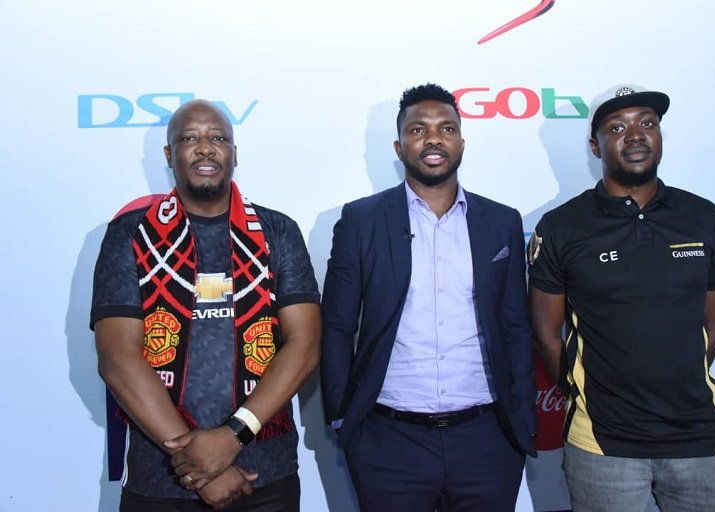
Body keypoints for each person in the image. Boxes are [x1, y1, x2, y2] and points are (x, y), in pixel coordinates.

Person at [90, 99, 321, 511]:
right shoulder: (130, 234)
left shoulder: (278, 231)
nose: (205, 148)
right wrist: (197, 465)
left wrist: (233, 435)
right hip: (159, 480)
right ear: (168, 154)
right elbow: (117, 358)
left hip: (265, 475)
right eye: (189, 138)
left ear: (234, 153)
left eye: (218, 138)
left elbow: (304, 344)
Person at [321, 83, 536, 511]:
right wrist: (343, 418)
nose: (434, 138)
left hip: (487, 438)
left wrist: (523, 415)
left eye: (446, 128)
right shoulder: (360, 220)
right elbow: (338, 326)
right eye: (419, 130)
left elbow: (515, 324)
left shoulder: (501, 221)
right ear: (399, 147)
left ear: (461, 142)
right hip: (387, 441)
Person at [528, 85, 715, 511]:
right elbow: (546, 332)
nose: (636, 134)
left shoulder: (705, 217)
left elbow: (714, 327)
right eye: (617, 127)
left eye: (647, 123)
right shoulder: (562, 226)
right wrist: (590, 395)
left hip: (701, 440)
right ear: (595, 145)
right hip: (603, 445)